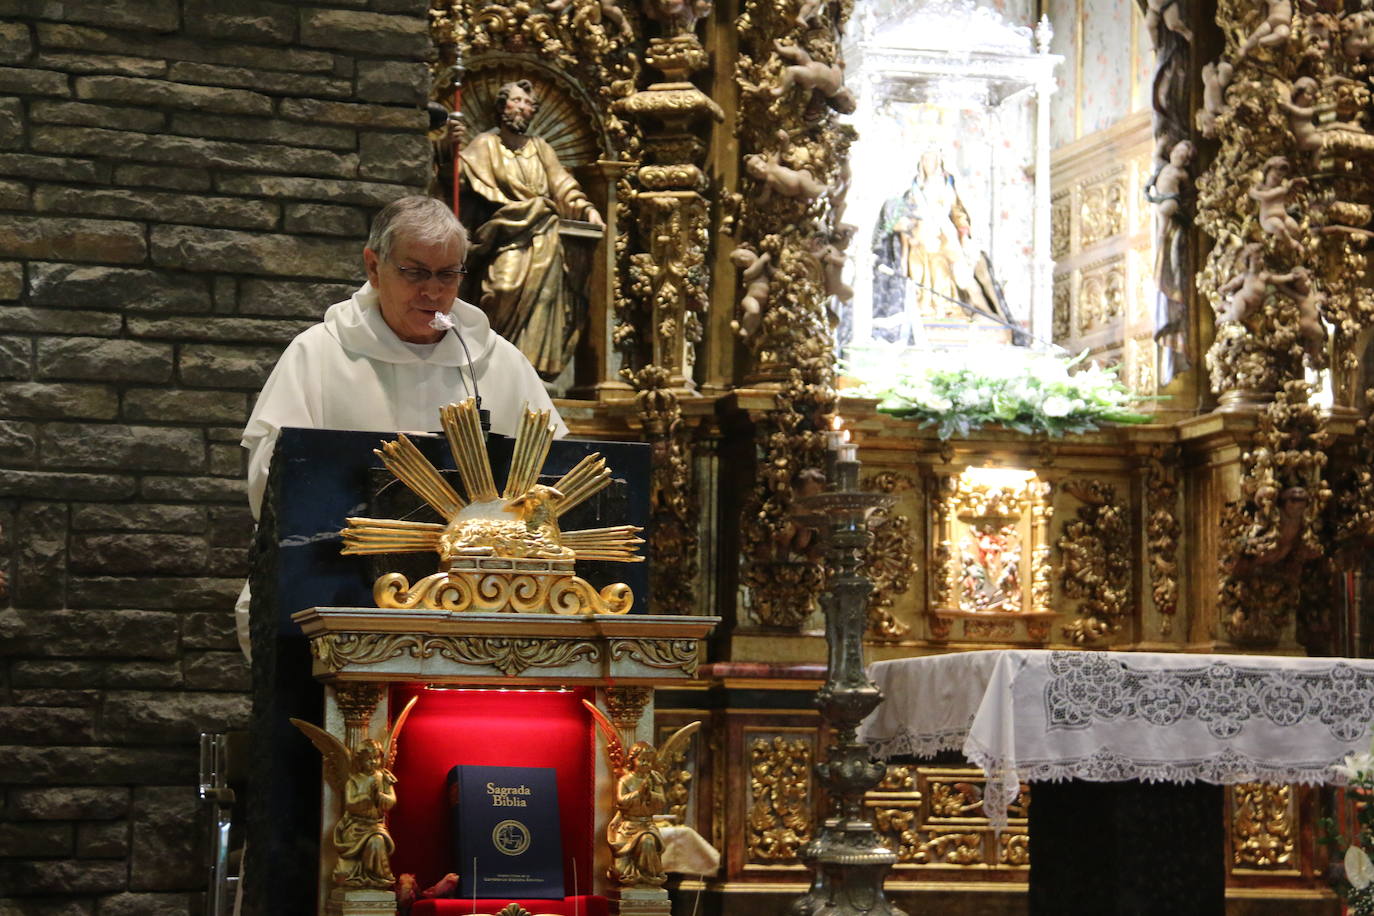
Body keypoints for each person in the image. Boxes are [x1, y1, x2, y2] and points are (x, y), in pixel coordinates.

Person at [236, 195, 566, 657]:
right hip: (337, 597)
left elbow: (555, 477)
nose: (432, 291)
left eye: (448, 274)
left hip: (481, 611)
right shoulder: (320, 355)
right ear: (374, 267)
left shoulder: (495, 362)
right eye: (414, 272)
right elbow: (270, 484)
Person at [459, 79, 604, 380]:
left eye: (528, 104)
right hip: (503, 233)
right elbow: (459, 178)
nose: (523, 108)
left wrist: (588, 210)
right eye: (517, 101)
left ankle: (527, 371)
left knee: (545, 298)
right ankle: (490, 363)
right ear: (502, 106)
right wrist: (448, 147)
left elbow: (563, 186)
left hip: (544, 232)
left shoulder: (540, 149)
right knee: (500, 289)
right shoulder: (486, 145)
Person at [869, 150, 1010, 343]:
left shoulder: (947, 186)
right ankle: (925, 306)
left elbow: (958, 213)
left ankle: (951, 307)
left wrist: (964, 233)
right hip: (920, 238)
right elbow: (904, 220)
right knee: (920, 271)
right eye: (925, 160)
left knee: (949, 272)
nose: (928, 163)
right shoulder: (913, 190)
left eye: (932, 160)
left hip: (943, 236)